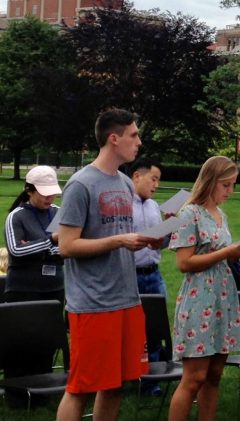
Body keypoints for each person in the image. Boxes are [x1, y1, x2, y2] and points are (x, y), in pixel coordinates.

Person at [56, 108, 159, 421]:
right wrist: (119, 241)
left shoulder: (126, 184)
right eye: (133, 135)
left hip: (127, 299)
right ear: (114, 139)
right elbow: (66, 245)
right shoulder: (80, 184)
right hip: (93, 303)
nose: (139, 142)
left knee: (116, 385)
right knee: (81, 387)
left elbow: (121, 233)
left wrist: (152, 239)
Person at [167, 156, 240, 421]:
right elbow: (184, 262)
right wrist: (227, 251)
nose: (230, 191)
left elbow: (220, 252)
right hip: (199, 298)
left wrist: (238, 252)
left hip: (223, 297)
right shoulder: (189, 213)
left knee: (214, 375)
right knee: (194, 378)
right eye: (225, 185)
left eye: (233, 185)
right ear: (210, 182)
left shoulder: (221, 214)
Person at [3, 165, 64, 304]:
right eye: (44, 193)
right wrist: (52, 240)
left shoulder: (58, 213)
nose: (50, 198)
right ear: (29, 191)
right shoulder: (16, 216)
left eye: (52, 193)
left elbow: (69, 247)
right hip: (22, 289)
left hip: (55, 288)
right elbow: (16, 250)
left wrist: (32, 246)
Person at [130, 158, 169, 297]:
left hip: (155, 276)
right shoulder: (122, 205)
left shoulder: (154, 206)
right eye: (153, 179)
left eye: (158, 180)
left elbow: (160, 245)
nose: (156, 185)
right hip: (129, 278)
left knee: (159, 318)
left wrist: (169, 227)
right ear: (137, 176)